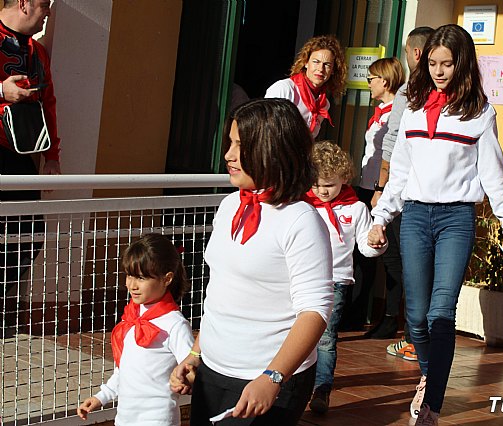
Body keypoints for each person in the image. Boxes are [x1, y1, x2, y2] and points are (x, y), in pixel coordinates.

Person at [368, 24, 503, 424]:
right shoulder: (414, 106)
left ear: (463, 64)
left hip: (456, 218)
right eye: (433, 63)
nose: (439, 70)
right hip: (416, 215)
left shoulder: (480, 112)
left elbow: (494, 177)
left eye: (448, 63)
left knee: (442, 313)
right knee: (416, 317)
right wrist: (380, 217)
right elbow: (399, 172)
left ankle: (432, 406)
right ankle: (429, 373)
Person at [170, 99, 333, 425]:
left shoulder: (300, 220)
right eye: (230, 143)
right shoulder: (230, 205)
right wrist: (195, 354)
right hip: (213, 370)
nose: (228, 155)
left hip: (267, 377)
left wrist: (273, 377)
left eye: (240, 146)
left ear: (272, 150)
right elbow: (221, 290)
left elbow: (315, 311)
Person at [303, 141, 386, 414]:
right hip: (302, 278)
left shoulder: (356, 209)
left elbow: (364, 245)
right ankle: (293, 381)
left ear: (343, 177)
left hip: (336, 281)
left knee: (325, 338)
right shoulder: (303, 206)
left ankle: (322, 388)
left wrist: (376, 242)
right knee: (295, 333)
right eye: (315, 184)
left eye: (328, 184)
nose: (321, 191)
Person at [77, 233, 194, 425]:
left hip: (157, 420)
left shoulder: (175, 324)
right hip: (125, 419)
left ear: (167, 279)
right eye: (130, 275)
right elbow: (125, 370)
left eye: (141, 278)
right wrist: (102, 396)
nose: (132, 285)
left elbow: (190, 369)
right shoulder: (132, 317)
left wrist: (186, 380)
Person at [369, 27, 434, 353]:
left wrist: (381, 189)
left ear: (416, 54)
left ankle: (411, 337)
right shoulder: (445, 91)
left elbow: (392, 146)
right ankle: (413, 335)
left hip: (405, 192)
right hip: (432, 195)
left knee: (402, 260)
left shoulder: (411, 92)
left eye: (408, 51)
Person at [0, 0, 61, 299]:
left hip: (20, 157)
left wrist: (51, 157)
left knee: (29, 235)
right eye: (44, 4)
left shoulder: (38, 52)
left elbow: (48, 103)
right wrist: (1, 91)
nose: (48, 11)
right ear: (24, 3)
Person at [353, 57, 405, 341]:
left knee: (390, 257)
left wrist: (380, 189)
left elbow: (392, 156)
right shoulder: (380, 111)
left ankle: (389, 317)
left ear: (384, 81)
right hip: (367, 185)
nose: (368, 83)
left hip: (383, 190)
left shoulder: (396, 113)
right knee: (365, 252)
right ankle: (358, 311)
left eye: (371, 78)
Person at [265, 35, 346, 139]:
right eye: (316, 62)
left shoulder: (324, 104)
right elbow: (266, 130)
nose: (320, 69)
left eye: (327, 65)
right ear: (306, 63)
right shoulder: (284, 89)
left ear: (333, 70)